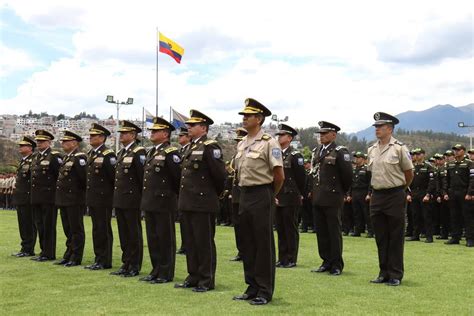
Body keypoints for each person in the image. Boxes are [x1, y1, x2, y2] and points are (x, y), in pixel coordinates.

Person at [233, 98, 284, 305]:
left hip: (262, 193)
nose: (244, 118)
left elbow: (279, 175)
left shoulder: (269, 142)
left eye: (248, 115)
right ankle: (251, 286)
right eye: (243, 115)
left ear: (259, 119)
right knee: (247, 243)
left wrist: (271, 195)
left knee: (263, 244)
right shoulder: (242, 143)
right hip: (244, 194)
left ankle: (264, 290)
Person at [174, 110, 226, 292]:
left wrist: (211, 196)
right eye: (188, 125)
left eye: (192, 125)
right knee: (190, 242)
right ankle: (193, 276)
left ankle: (206, 280)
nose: (188, 128)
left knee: (203, 242)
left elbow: (220, 176)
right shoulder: (189, 147)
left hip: (203, 203)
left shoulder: (211, 147)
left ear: (203, 128)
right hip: (188, 202)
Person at [367, 112, 414, 286]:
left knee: (395, 235)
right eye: (376, 127)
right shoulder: (371, 149)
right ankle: (383, 272)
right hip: (377, 195)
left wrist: (400, 188)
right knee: (380, 236)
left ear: (390, 128)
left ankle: (395, 274)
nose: (377, 129)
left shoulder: (400, 148)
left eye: (380, 127)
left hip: (395, 194)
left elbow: (409, 173)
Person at [139, 117, 181, 283]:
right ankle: (155, 270)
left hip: (164, 202)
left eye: (156, 131)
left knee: (165, 239)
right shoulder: (151, 152)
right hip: (150, 202)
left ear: (165, 134)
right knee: (153, 238)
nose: (152, 133)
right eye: (152, 130)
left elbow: (177, 178)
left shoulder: (171, 153)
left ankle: (165, 273)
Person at [310, 121, 352, 276]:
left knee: (334, 231)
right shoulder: (317, 151)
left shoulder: (340, 151)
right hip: (318, 196)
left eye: (325, 133)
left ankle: (336, 264)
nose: (321, 136)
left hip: (333, 197)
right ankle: (325, 261)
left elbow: (347, 176)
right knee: (321, 231)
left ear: (333, 135)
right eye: (320, 133)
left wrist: (342, 192)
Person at [110, 120, 146, 277]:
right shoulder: (121, 153)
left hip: (132, 199)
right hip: (120, 199)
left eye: (124, 133)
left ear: (133, 135)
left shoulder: (139, 152)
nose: (121, 136)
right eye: (121, 133)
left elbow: (141, 178)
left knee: (133, 233)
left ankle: (134, 265)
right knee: (124, 234)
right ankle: (126, 263)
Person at [84, 123, 116, 270]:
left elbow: (112, 178)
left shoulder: (108, 154)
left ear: (102, 138)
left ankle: (105, 260)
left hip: (103, 199)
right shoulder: (91, 154)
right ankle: (98, 259)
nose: (90, 138)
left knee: (103, 229)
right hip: (93, 198)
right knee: (96, 229)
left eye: (94, 136)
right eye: (90, 135)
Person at [54, 131, 87, 267]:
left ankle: (76, 256)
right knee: (68, 229)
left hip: (74, 199)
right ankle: (68, 254)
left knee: (76, 229)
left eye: (66, 142)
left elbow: (84, 180)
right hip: (64, 199)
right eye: (62, 142)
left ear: (74, 143)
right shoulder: (67, 158)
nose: (63, 144)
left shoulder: (80, 158)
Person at [275, 124, 306, 268]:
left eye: (282, 135)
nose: (279, 137)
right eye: (278, 135)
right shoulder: (276, 154)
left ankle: (291, 258)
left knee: (290, 228)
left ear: (289, 138)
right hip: (278, 196)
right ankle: (282, 258)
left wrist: (299, 194)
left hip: (291, 196)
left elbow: (301, 178)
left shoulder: (295, 156)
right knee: (280, 228)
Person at [30, 130, 62, 262]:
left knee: (48, 226)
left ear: (49, 142)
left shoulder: (54, 156)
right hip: (37, 197)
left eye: (42, 141)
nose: (39, 143)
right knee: (40, 225)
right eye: (38, 141)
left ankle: (49, 253)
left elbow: (58, 177)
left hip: (49, 197)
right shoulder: (36, 157)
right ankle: (43, 251)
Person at [443, 144, 474, 247]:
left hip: (464, 193)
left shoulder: (469, 164)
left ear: (463, 151)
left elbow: (472, 180)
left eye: (458, 150)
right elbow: (446, 180)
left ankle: (470, 239)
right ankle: (455, 237)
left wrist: (470, 193)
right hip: (453, 193)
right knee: (454, 216)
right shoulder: (450, 164)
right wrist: (446, 192)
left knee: (467, 217)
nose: (456, 152)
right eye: (455, 150)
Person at [11, 136, 37, 257]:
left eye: (23, 146)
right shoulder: (23, 160)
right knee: (23, 224)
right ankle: (24, 247)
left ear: (30, 148)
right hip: (21, 197)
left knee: (29, 223)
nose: (20, 147)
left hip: (28, 197)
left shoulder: (33, 160)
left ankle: (29, 248)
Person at [406, 148, 436, 243]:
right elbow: (408, 182)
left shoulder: (428, 167)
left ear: (423, 155)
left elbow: (432, 182)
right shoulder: (412, 167)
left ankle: (429, 236)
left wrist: (428, 194)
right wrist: (408, 193)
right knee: (415, 216)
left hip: (424, 193)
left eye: (418, 154)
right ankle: (416, 235)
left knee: (427, 216)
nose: (416, 156)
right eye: (415, 154)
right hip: (414, 193)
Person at [229, 127, 248, 261]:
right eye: (237, 141)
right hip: (236, 195)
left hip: (246, 194)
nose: (238, 143)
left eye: (241, 141)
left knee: (246, 225)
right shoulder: (235, 156)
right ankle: (241, 251)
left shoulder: (248, 155)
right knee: (238, 226)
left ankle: (248, 252)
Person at [347, 151, 373, 237]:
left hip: (363, 192)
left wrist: (369, 193)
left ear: (362, 159)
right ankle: (357, 231)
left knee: (366, 213)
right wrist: (349, 194)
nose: (356, 159)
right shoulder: (354, 169)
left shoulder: (367, 169)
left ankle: (370, 231)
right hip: (355, 192)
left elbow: (370, 182)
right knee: (356, 213)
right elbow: (351, 183)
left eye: (358, 157)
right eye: (355, 157)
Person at [176, 127, 191, 255]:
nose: (179, 138)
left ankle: (188, 245)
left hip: (190, 191)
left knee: (188, 222)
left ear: (188, 137)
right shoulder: (180, 151)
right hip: (181, 190)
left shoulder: (190, 150)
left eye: (182, 136)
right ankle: (184, 245)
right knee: (183, 221)